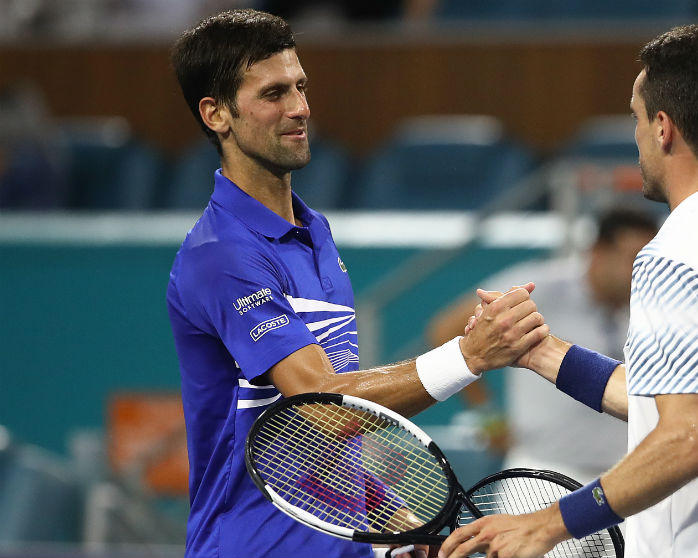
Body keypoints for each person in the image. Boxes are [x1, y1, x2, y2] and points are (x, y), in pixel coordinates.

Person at [440, 23, 698, 558]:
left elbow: (687, 440)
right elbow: (678, 400)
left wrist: (548, 524)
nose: (635, 137)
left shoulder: (673, 255)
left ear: (663, 128)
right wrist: (543, 353)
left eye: (635, 117)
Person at [165, 10, 547, 558]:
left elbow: (319, 451)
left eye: (300, 87)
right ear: (217, 114)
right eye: (273, 94)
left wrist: (395, 524)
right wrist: (467, 356)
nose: (300, 108)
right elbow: (321, 409)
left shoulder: (314, 231)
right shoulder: (221, 256)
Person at [426, 207, 658, 483]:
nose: (640, 270)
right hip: (541, 474)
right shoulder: (541, 289)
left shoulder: (654, 304)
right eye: (633, 257)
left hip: (624, 475)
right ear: (598, 252)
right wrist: (486, 416)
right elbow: (446, 329)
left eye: (648, 260)